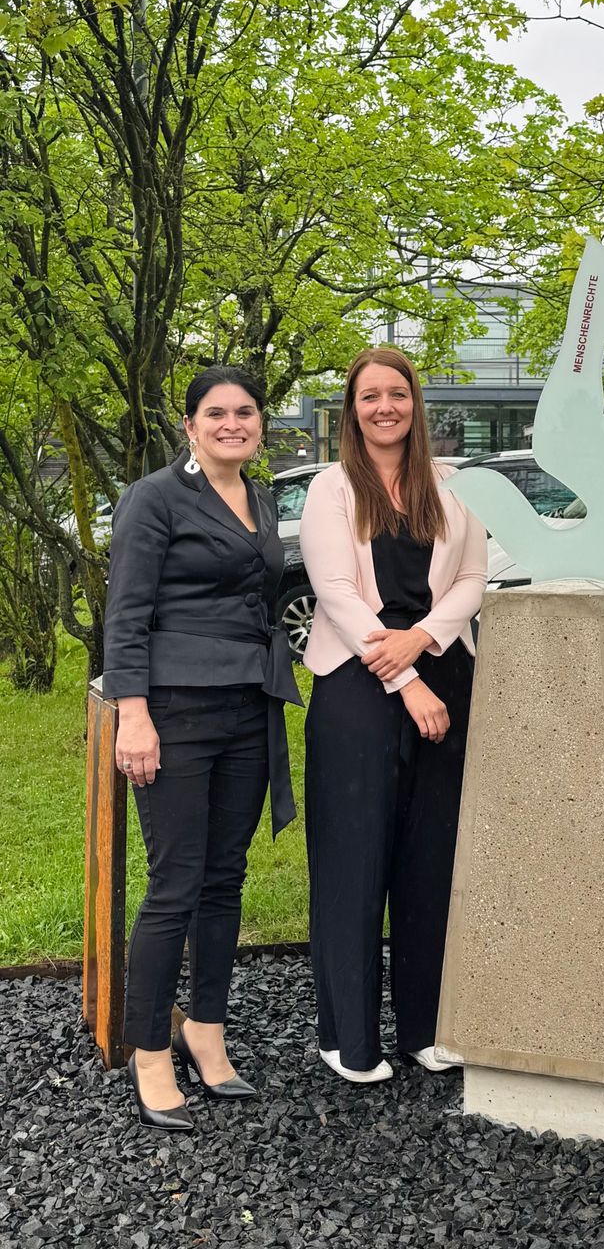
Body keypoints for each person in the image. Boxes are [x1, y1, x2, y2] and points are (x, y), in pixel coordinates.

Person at [104, 367, 302, 1133]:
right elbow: (127, 612)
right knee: (176, 883)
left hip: (248, 706)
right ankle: (150, 1049)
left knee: (225, 879)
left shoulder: (262, 498)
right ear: (189, 426)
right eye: (215, 413)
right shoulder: (154, 498)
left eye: (244, 411)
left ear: (260, 423)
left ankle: (206, 1031)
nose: (232, 423)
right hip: (175, 710)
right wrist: (133, 714)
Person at [300, 347, 487, 1084]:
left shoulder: (452, 486)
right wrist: (406, 676)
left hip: (446, 678)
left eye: (398, 394)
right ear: (352, 409)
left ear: (416, 403)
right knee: (354, 860)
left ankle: (425, 1029)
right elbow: (337, 593)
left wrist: (426, 637)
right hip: (358, 685)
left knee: (431, 860)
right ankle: (348, 1038)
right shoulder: (330, 488)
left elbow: (472, 576)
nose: (386, 407)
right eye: (370, 396)